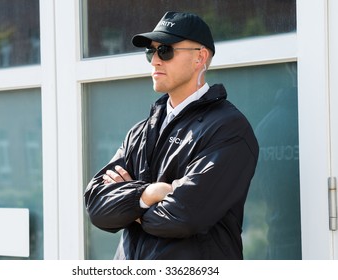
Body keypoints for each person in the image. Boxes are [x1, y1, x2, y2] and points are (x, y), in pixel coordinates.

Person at [84, 11, 259, 260]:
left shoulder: (228, 129)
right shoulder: (140, 132)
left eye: (165, 50)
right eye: (150, 52)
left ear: (200, 57)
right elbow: (97, 207)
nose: (155, 60)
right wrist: (150, 194)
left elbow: (183, 218)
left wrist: (128, 205)